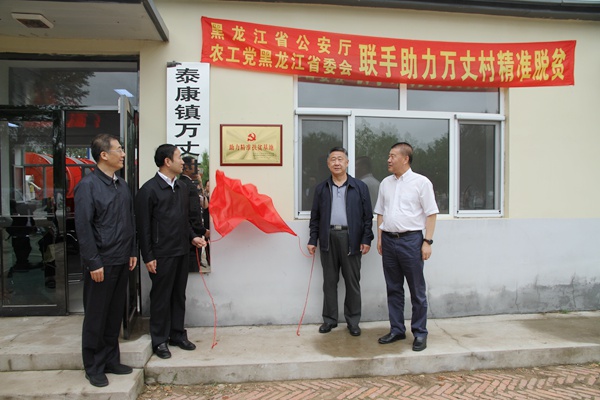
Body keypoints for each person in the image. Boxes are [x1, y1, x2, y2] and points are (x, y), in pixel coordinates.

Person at [74, 134, 137, 387]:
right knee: (96, 316)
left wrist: (132, 251)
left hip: (121, 259)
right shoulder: (88, 186)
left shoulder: (121, 185)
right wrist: (94, 262)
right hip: (101, 262)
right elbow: (83, 227)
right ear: (103, 155)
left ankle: (111, 359)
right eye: (119, 150)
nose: (123, 154)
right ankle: (93, 366)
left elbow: (129, 220)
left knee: (113, 314)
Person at [136, 144, 206, 359]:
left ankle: (177, 334)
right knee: (161, 297)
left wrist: (192, 236)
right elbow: (143, 227)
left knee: (178, 295)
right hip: (161, 254)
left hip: (181, 251)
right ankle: (159, 340)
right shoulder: (149, 190)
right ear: (167, 161)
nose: (183, 162)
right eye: (178, 157)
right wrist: (148, 256)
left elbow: (184, 220)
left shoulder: (182, 187)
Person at [374, 142, 438, 352]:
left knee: (417, 290)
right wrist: (380, 237)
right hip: (389, 241)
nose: (389, 160)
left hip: (411, 241)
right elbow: (381, 212)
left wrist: (427, 242)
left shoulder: (421, 182)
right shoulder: (385, 183)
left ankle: (420, 333)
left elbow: (431, 214)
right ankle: (397, 329)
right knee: (393, 288)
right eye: (389, 156)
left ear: (405, 159)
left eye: (392, 156)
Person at [307, 147, 374, 337]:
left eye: (340, 159)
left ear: (347, 162)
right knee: (329, 281)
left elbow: (367, 217)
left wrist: (366, 238)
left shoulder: (359, 187)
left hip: (351, 238)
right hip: (328, 237)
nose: (337, 163)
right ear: (328, 164)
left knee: (352, 282)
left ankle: (353, 321)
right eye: (333, 159)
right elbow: (315, 218)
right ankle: (329, 319)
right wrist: (313, 239)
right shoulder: (321, 188)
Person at [180, 156, 209, 272]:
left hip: (188, 234)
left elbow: (204, 205)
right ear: (186, 168)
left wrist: (200, 184)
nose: (197, 169)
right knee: (192, 266)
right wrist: (202, 230)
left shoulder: (184, 183)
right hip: (193, 236)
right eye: (195, 165)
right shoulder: (188, 186)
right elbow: (193, 214)